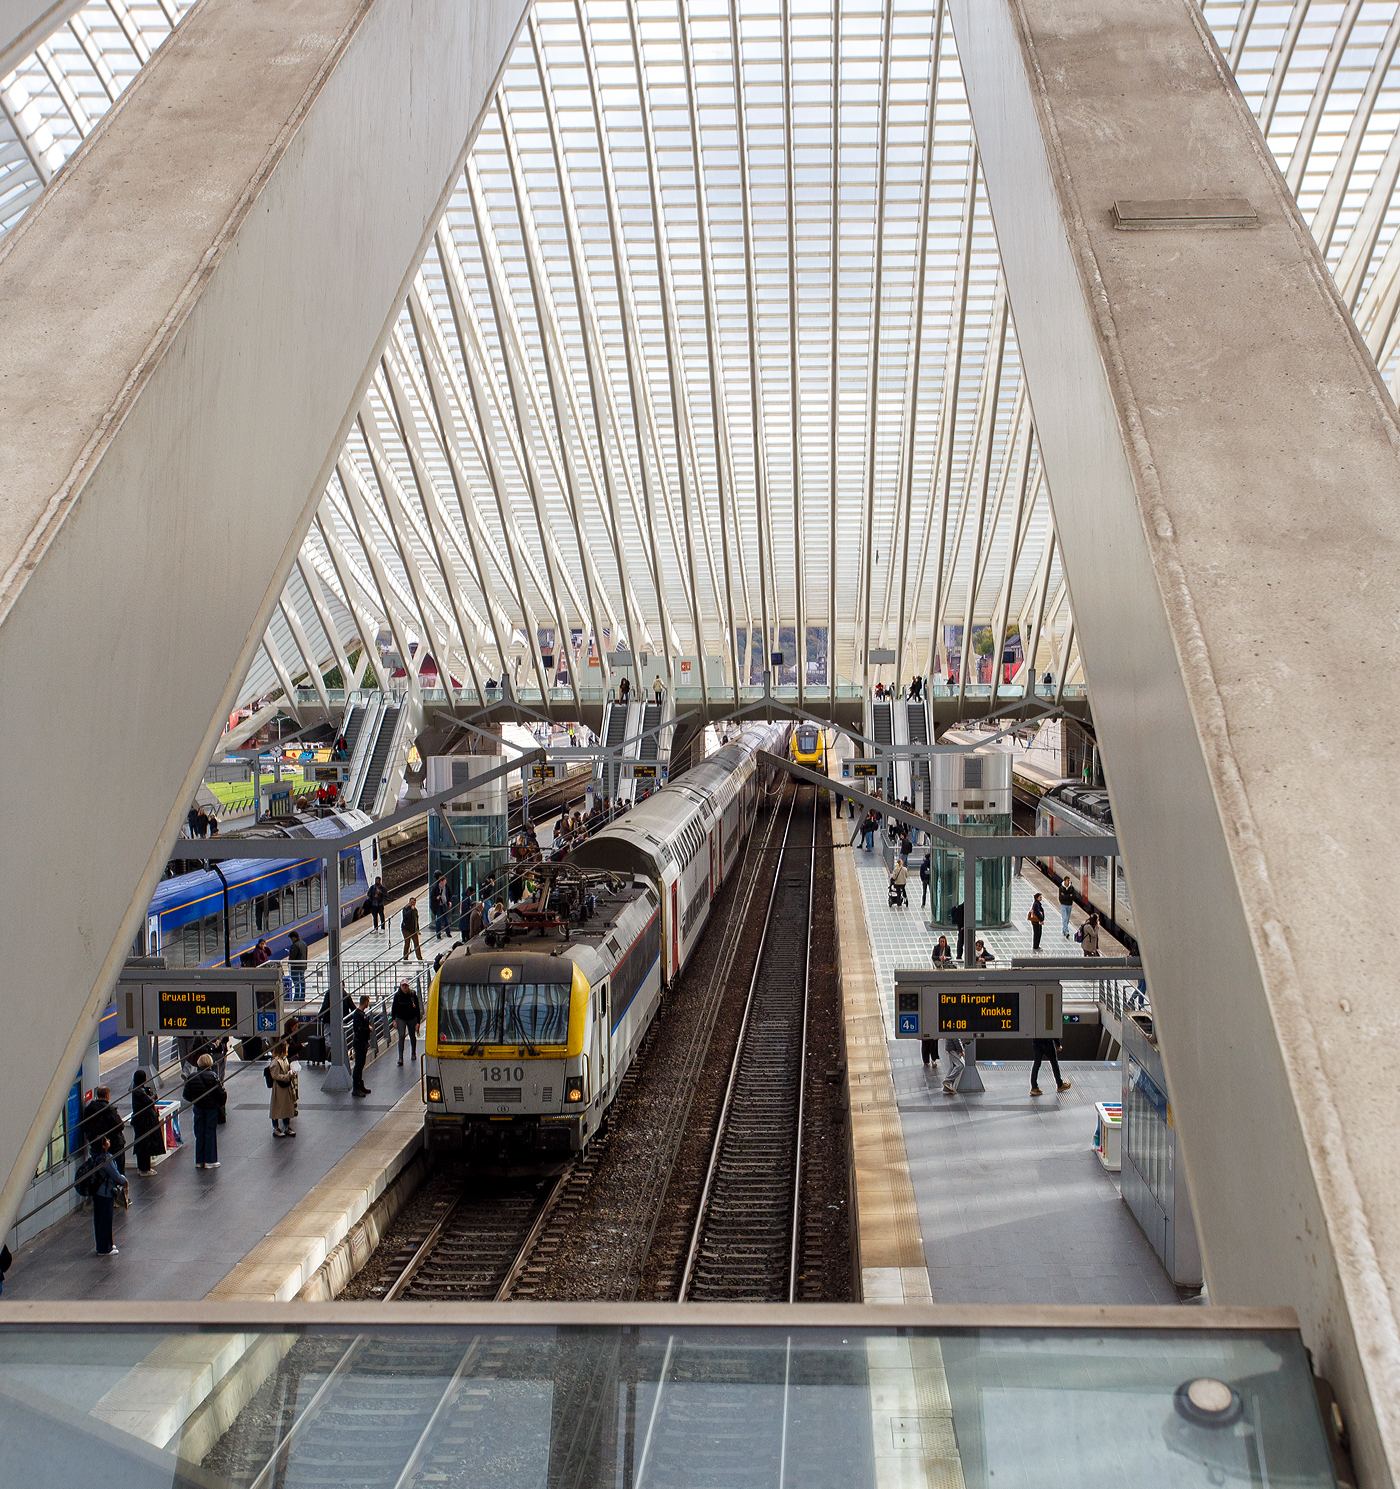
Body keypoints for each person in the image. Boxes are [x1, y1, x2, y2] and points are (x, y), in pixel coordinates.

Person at [182, 1053, 225, 1170]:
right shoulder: (213, 1076)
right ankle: (210, 1160)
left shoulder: (191, 1077)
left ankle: (199, 1160)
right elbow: (220, 1094)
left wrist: (195, 1100)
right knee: (210, 1132)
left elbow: (185, 1095)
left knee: (199, 1133)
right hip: (211, 1109)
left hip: (198, 1108)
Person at [89, 1137, 127, 1255]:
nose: (109, 1141)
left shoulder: (94, 1157)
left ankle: (102, 1244)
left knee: (99, 1219)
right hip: (106, 1193)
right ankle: (105, 1248)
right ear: (103, 1146)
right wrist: (123, 1179)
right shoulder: (106, 1159)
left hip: (96, 1192)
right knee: (106, 1220)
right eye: (106, 1140)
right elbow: (116, 1176)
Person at [81, 1086, 125, 1176]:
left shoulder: (89, 1109)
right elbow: (120, 1126)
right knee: (118, 1167)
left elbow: (85, 1126)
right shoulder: (110, 1110)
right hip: (114, 1144)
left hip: (96, 1144)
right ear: (107, 1095)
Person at [130, 1070, 164, 1174]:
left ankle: (145, 1167)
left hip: (142, 1120)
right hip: (143, 1121)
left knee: (144, 1144)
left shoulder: (138, 1089)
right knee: (144, 1144)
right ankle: (144, 1168)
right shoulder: (139, 1092)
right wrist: (153, 1096)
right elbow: (150, 1101)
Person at [268, 1041, 297, 1136]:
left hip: (285, 1087)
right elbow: (275, 1076)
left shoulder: (284, 1059)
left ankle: (286, 1126)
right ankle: (276, 1128)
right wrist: (287, 1077)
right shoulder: (275, 1062)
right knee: (277, 1108)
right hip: (279, 1088)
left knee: (286, 1108)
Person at [391, 979, 422, 1066]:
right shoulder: (397, 995)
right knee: (401, 1036)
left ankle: (413, 1053)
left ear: (408, 986)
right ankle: (400, 1057)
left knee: (412, 1035)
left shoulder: (412, 995)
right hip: (401, 1018)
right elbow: (394, 1008)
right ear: (401, 986)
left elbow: (417, 1009)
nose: (404, 987)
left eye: (406, 986)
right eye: (403, 986)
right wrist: (394, 1020)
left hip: (411, 1018)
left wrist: (418, 1022)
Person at [351, 996, 373, 1097]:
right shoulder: (358, 1015)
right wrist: (368, 1029)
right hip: (359, 1042)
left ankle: (360, 1085)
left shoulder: (361, 1014)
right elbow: (358, 1029)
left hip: (363, 1042)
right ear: (365, 1002)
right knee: (358, 1065)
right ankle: (356, 1087)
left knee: (361, 1064)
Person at [287, 929, 308, 1000]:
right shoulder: (304, 943)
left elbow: (293, 957)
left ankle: (296, 997)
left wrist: (290, 958)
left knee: (296, 982)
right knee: (302, 981)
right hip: (303, 966)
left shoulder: (295, 945)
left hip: (296, 967)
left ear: (293, 937)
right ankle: (302, 996)